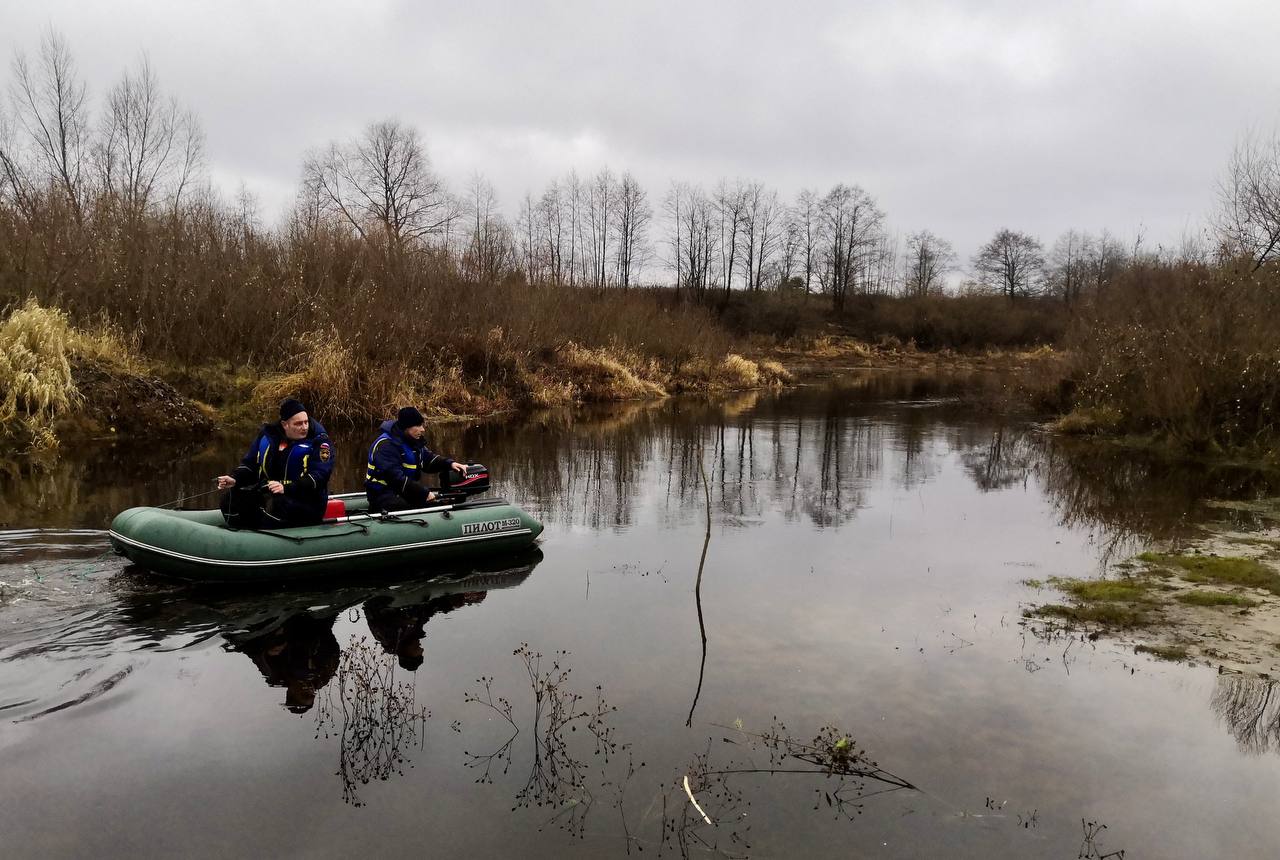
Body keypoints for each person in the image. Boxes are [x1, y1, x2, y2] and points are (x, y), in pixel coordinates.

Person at [216, 398, 334, 528]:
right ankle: (241, 536)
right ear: (285, 425)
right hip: (273, 495)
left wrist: (287, 488)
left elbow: (320, 475)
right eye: (298, 424)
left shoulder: (320, 442)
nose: (304, 427)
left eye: (306, 422)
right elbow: (251, 465)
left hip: (306, 502)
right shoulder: (269, 437)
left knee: (275, 505)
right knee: (230, 499)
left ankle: (260, 539)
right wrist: (235, 479)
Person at [365, 406, 467, 512]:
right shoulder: (386, 446)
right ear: (406, 427)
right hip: (382, 495)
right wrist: (423, 493)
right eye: (418, 425)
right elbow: (395, 478)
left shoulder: (411, 441)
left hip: (402, 492)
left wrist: (449, 464)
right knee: (419, 508)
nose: (422, 429)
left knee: (437, 503)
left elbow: (428, 460)